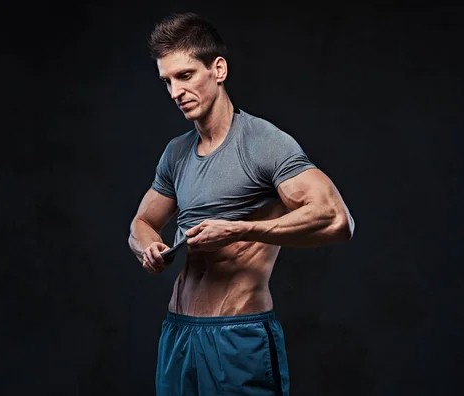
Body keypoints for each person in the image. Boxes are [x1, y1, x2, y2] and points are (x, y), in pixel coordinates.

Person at [128, 11, 355, 396]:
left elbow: (337, 220)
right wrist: (147, 246)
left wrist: (241, 229)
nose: (175, 92)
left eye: (185, 76)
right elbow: (141, 221)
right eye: (166, 81)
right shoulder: (176, 153)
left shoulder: (262, 143)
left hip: (236, 336)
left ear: (218, 69)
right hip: (179, 335)